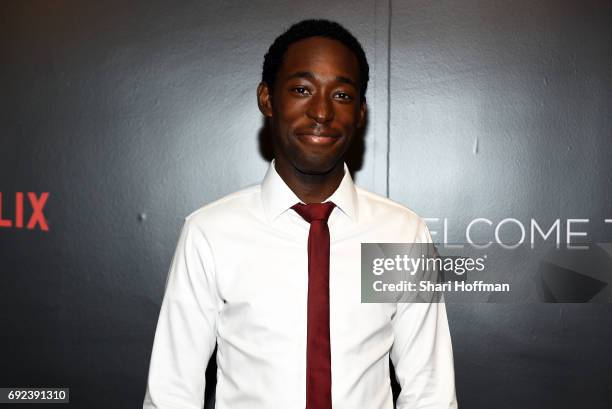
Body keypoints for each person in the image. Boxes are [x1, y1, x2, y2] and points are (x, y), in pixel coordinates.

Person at [143, 19, 457, 409]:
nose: (322, 112)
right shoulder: (211, 233)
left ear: (360, 112)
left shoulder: (399, 233)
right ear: (268, 99)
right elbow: (173, 392)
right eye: (302, 89)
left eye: (341, 95)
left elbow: (429, 390)